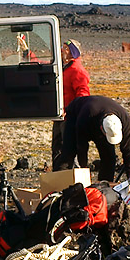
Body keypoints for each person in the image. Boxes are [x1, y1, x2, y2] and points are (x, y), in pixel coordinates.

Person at [59, 94, 130, 182]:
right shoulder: (85, 117)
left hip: (97, 116)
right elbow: (81, 147)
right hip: (76, 114)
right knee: (68, 152)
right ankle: (61, 185)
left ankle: (105, 186)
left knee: (109, 158)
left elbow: (129, 151)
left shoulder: (125, 121)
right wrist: (84, 172)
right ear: (102, 129)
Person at [52, 39, 91, 167]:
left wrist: (73, 113)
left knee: (69, 147)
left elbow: (83, 95)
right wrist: (26, 52)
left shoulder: (76, 70)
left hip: (69, 117)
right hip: (60, 115)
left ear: (72, 53)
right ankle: (59, 174)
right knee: (58, 147)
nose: (62, 50)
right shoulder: (65, 68)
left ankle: (76, 177)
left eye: (66, 49)